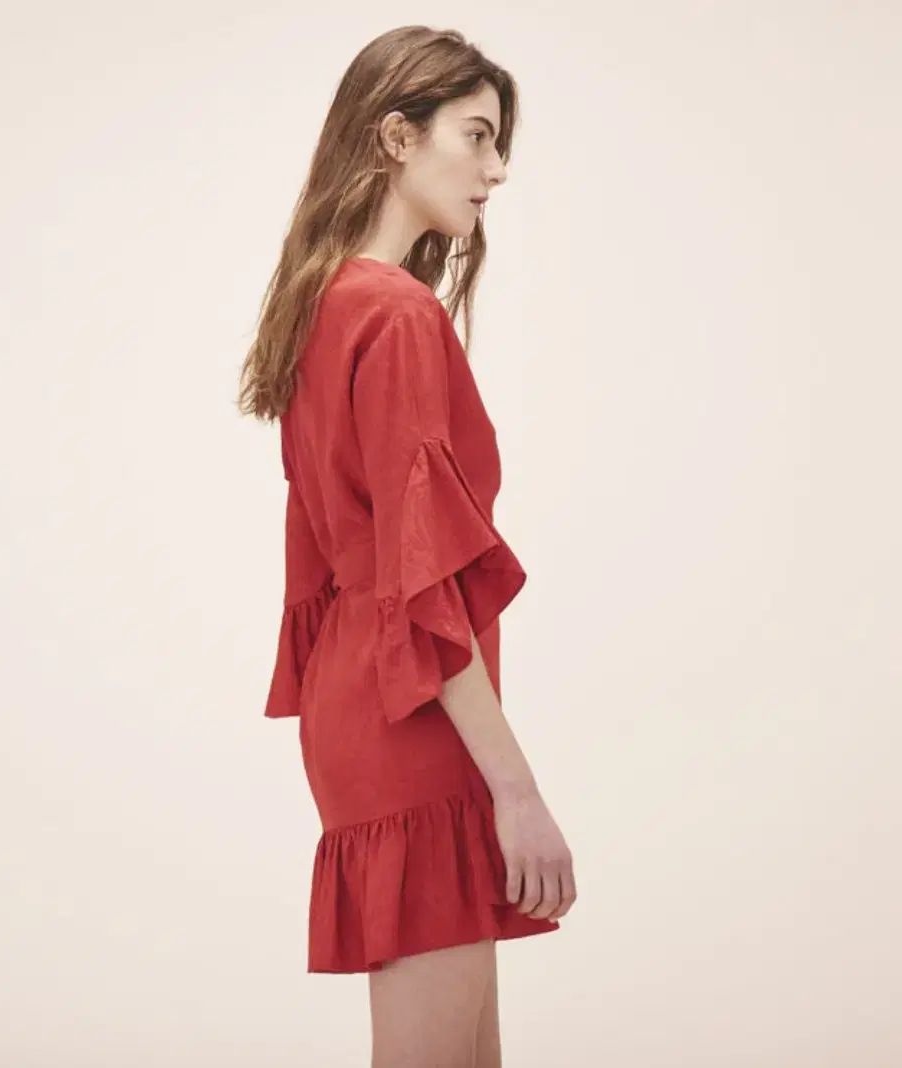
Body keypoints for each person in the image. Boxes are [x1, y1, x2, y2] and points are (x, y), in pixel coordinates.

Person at [237, 25, 577, 1068]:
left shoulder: (322, 304)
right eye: (475, 136)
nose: (496, 168)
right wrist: (517, 791)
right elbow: (420, 586)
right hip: (416, 713)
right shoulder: (394, 314)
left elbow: (340, 561)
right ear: (396, 136)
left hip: (365, 702)